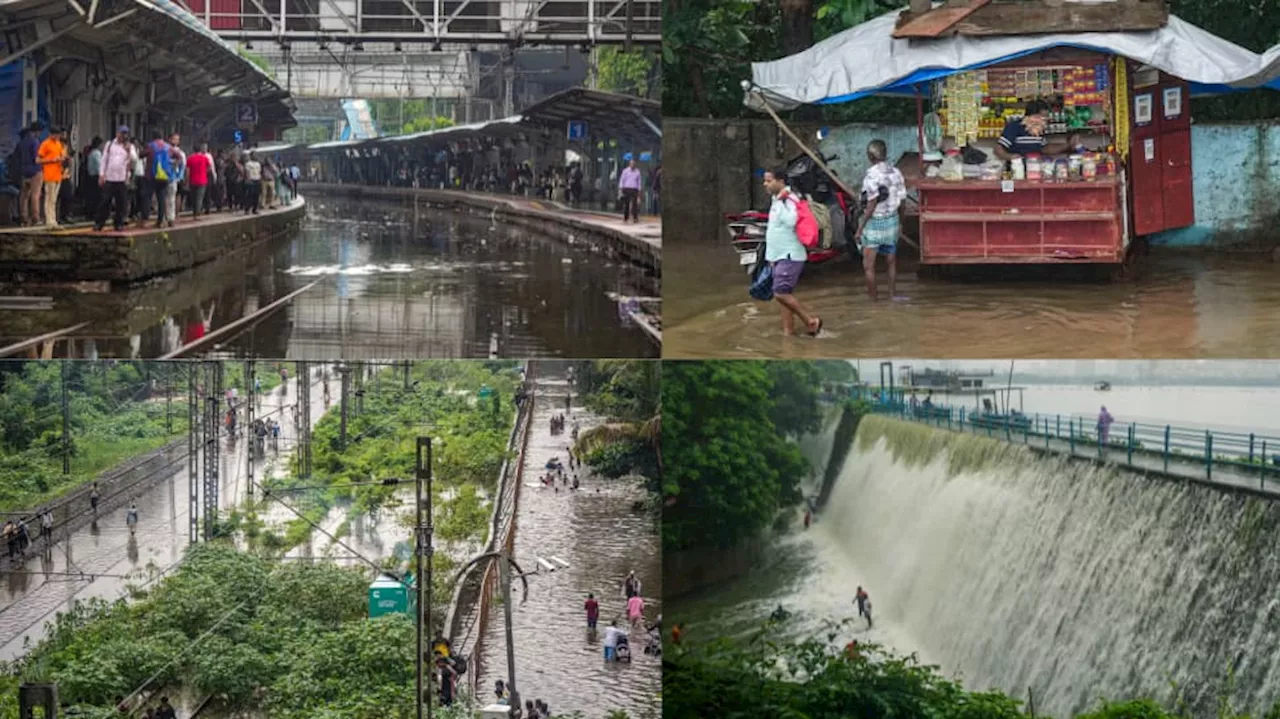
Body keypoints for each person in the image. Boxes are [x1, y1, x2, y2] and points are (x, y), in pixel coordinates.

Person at [762, 167, 822, 337]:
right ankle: (788, 334)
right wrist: (771, 257)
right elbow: (775, 229)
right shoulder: (777, 199)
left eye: (769, 180)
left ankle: (811, 321)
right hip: (779, 255)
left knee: (780, 293)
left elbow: (791, 221)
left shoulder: (789, 199)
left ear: (780, 182)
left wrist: (782, 202)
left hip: (790, 255)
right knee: (784, 297)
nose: (765, 184)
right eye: (765, 180)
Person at [853, 140, 907, 301]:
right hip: (892, 221)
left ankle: (874, 301)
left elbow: (871, 205)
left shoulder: (871, 176)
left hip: (874, 224)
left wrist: (860, 229)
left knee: (869, 266)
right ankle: (892, 295)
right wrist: (901, 222)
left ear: (870, 156)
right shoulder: (896, 172)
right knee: (891, 262)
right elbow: (903, 201)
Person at [993, 100, 1079, 161]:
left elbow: (1044, 149)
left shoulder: (1039, 129)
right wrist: (1010, 156)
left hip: (1035, 167)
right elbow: (998, 148)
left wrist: (1067, 145)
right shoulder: (1014, 127)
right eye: (1042, 117)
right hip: (1017, 169)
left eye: (1046, 118)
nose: (1044, 121)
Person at [96, 126, 136, 232]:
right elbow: (104, 160)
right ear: (117, 133)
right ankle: (100, 222)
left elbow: (134, 159)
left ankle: (118, 223)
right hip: (109, 177)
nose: (123, 136)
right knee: (105, 201)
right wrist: (101, 174)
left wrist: (128, 151)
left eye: (125, 134)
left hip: (122, 178)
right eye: (122, 133)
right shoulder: (109, 145)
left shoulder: (129, 146)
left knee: (121, 202)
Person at [36, 126, 68, 228]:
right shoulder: (45, 144)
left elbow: (61, 156)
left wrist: (62, 159)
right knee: (49, 197)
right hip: (49, 174)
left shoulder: (58, 144)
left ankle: (53, 220)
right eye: (56, 134)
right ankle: (49, 220)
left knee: (54, 199)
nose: (58, 136)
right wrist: (51, 160)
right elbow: (38, 160)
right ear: (51, 134)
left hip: (58, 174)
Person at [18, 123, 42, 226]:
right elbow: (37, 158)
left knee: (24, 196)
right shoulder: (35, 142)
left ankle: (23, 217)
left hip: (24, 170)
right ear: (36, 131)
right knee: (35, 195)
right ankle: (35, 218)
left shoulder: (21, 142)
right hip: (35, 171)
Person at [186, 142, 214, 218]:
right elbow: (210, 168)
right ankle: (197, 213)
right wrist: (204, 172)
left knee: (193, 197)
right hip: (202, 180)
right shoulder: (204, 158)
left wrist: (186, 181)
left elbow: (187, 171)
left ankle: (194, 211)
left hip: (192, 180)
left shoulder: (190, 158)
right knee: (199, 197)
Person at [618, 158, 642, 223]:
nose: (632, 165)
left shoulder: (637, 172)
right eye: (631, 164)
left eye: (634, 164)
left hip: (634, 189)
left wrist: (639, 190)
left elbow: (639, 182)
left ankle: (635, 218)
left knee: (635, 204)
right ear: (629, 164)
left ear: (635, 164)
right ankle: (626, 218)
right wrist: (620, 188)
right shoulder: (625, 171)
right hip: (626, 188)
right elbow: (622, 180)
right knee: (626, 204)